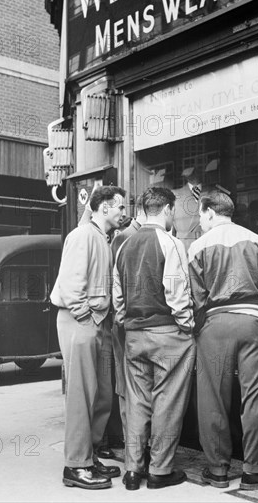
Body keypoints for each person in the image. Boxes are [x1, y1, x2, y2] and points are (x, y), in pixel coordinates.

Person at [188, 191, 258, 491]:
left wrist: (204, 327)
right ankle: (256, 470)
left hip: (215, 327)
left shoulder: (197, 246)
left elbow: (196, 297)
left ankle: (217, 469)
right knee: (256, 398)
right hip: (255, 324)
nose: (200, 221)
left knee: (212, 399)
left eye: (200, 215)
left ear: (208, 212)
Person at [113, 187, 195, 491]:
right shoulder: (170, 242)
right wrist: (187, 327)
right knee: (168, 400)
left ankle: (133, 470)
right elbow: (176, 293)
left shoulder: (124, 244)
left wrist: (126, 322)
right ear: (168, 209)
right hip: (167, 334)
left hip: (134, 335)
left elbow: (117, 296)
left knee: (136, 401)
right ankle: (160, 470)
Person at [51, 185, 126, 490]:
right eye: (120, 206)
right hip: (81, 320)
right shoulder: (83, 236)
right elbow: (71, 286)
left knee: (101, 393)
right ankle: (75, 466)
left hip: (95, 322)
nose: (124, 212)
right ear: (104, 208)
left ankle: (89, 456)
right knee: (82, 395)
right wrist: (88, 319)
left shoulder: (98, 235)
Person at [109, 194, 148, 456]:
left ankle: (135, 449)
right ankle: (137, 448)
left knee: (131, 389)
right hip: (131, 324)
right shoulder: (127, 237)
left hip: (129, 323)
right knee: (130, 389)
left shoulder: (126, 236)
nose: (123, 212)